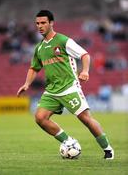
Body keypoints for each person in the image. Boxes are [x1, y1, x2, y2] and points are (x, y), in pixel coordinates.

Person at [17, 10, 114, 159]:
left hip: (69, 87)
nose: (40, 26)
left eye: (43, 23)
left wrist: (85, 71)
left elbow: (85, 55)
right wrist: (26, 84)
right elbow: (34, 68)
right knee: (40, 118)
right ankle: (68, 142)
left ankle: (107, 149)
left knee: (85, 119)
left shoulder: (63, 40)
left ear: (51, 23)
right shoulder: (39, 48)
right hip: (51, 91)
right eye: (37, 23)